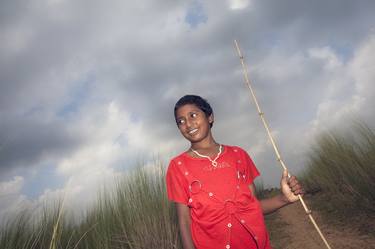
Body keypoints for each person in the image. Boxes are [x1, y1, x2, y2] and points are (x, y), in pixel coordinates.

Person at [166, 95, 304, 249]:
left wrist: (284, 199)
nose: (188, 124)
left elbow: (252, 208)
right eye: (181, 121)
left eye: (193, 115)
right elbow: (184, 221)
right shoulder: (177, 167)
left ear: (210, 117)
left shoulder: (239, 155)